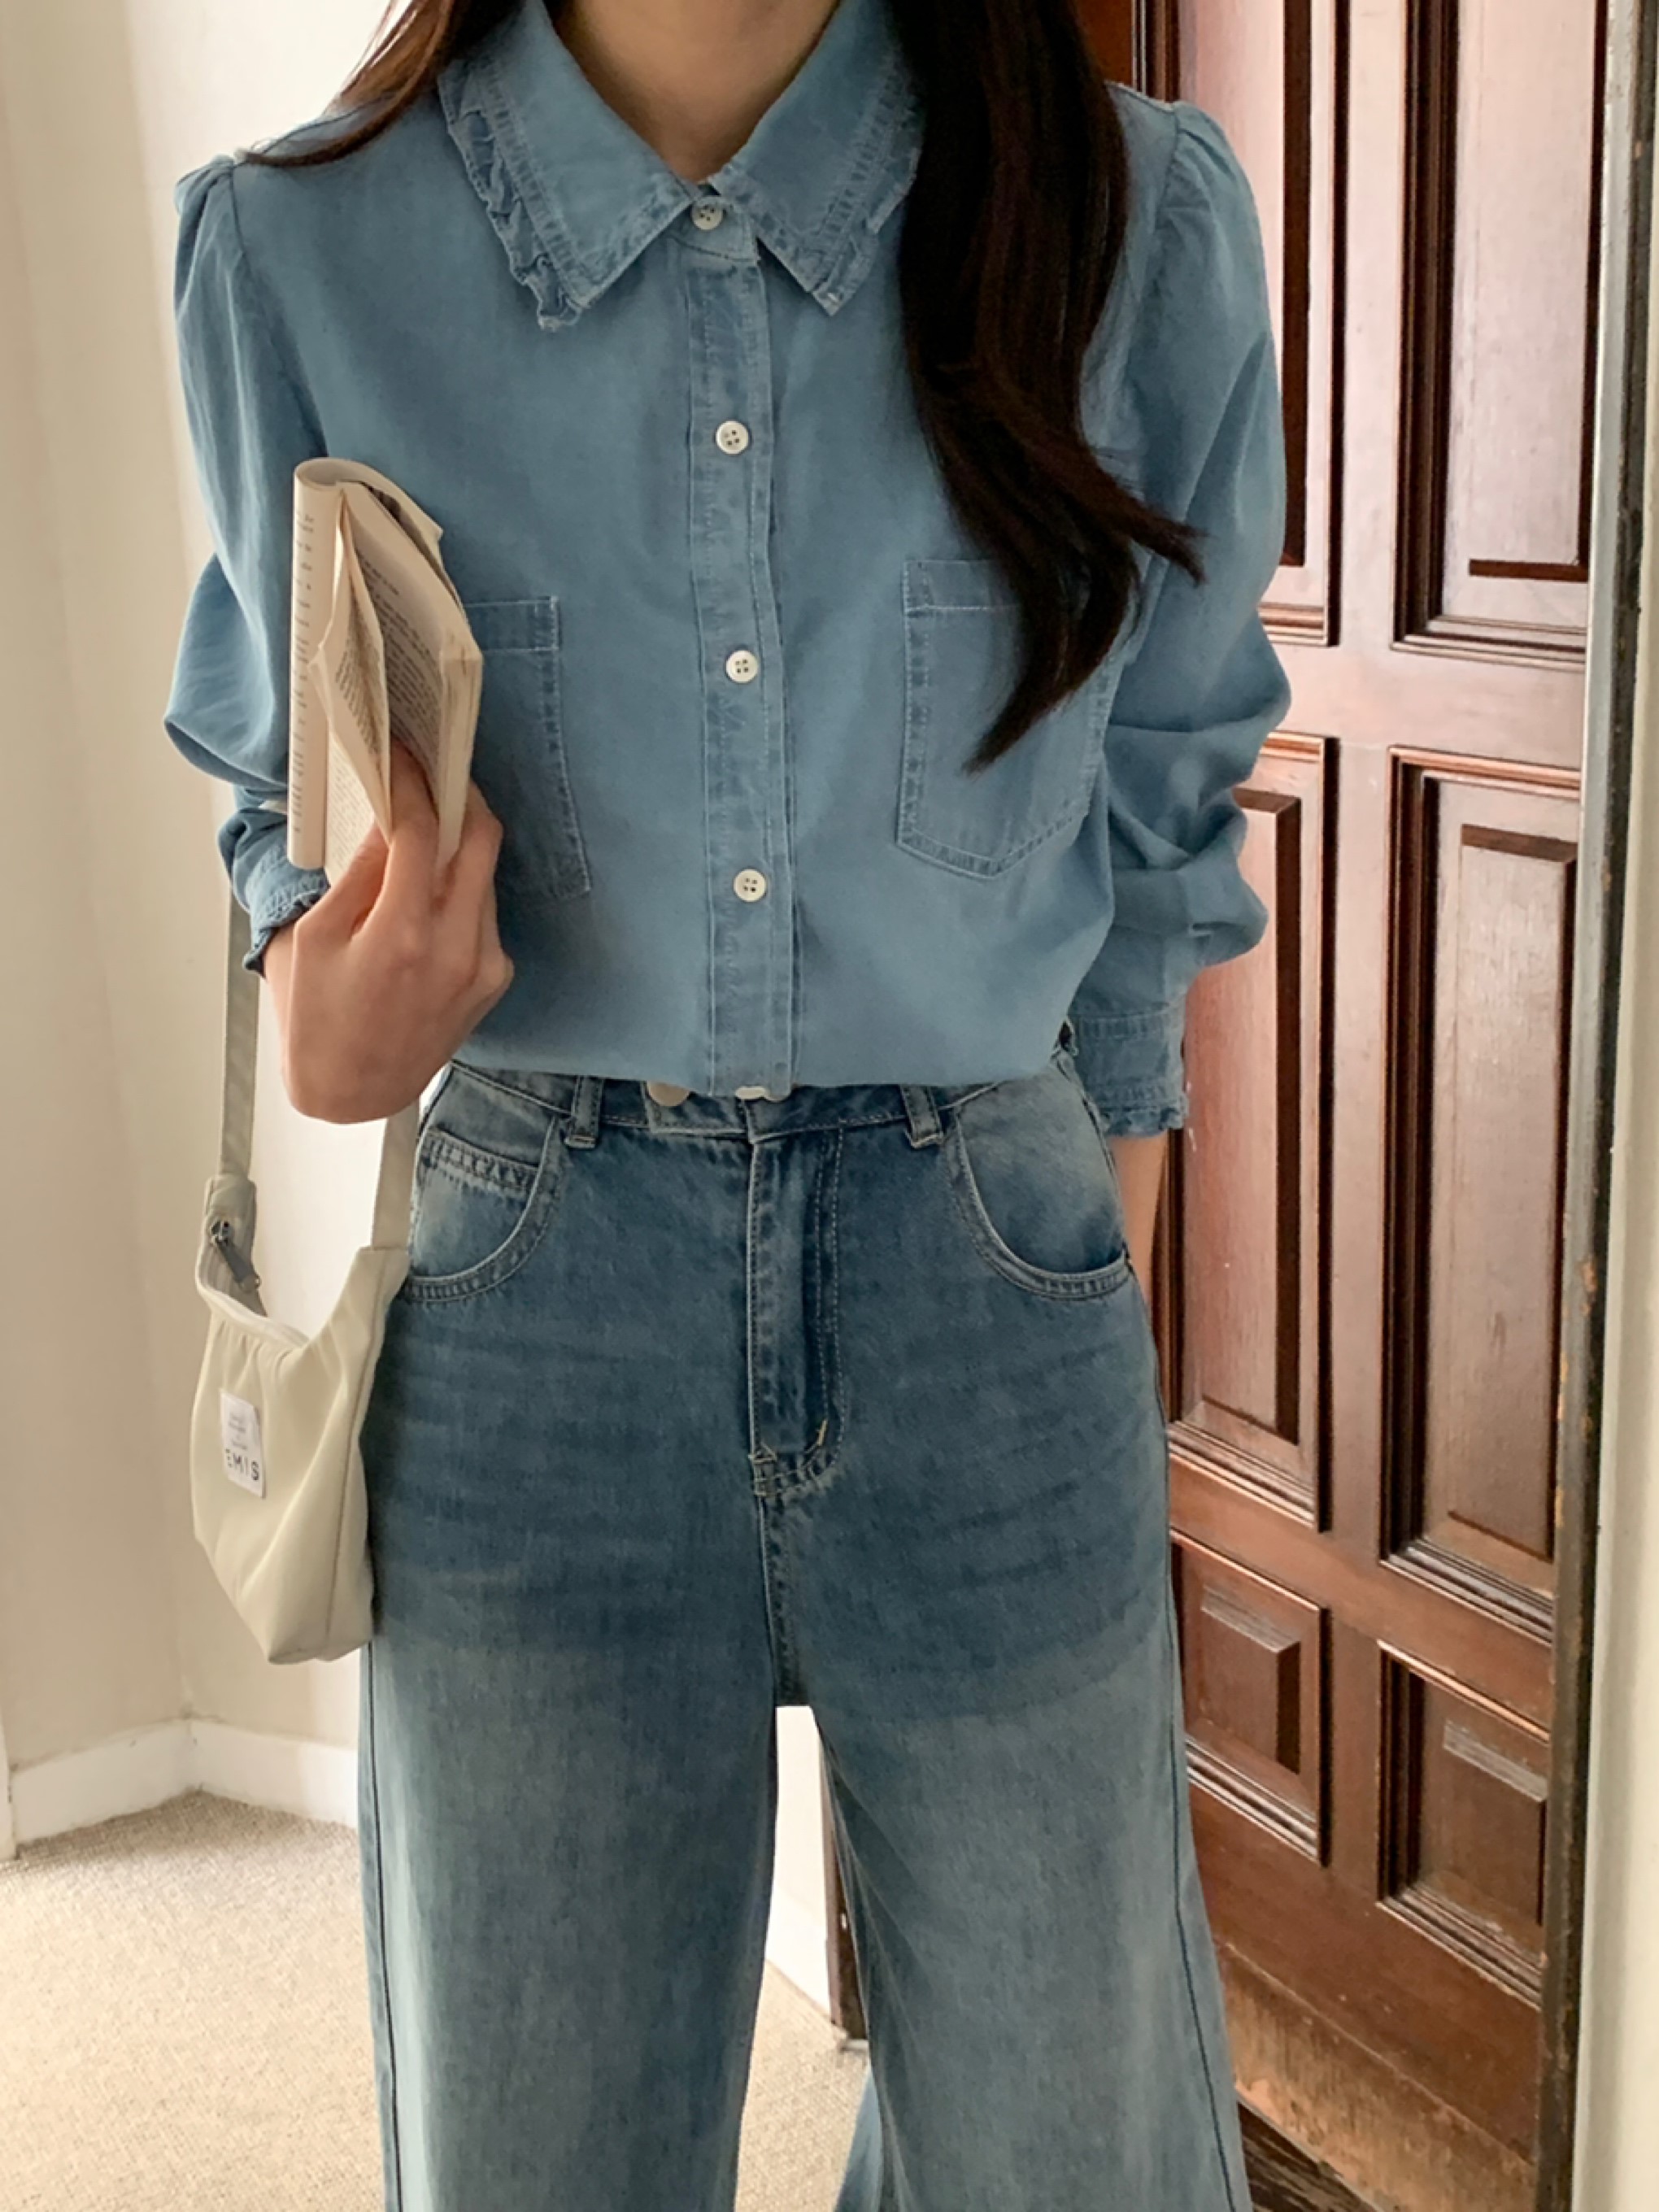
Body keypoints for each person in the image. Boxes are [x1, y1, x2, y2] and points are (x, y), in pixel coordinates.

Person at [162, 1, 1291, 2205]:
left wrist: (1084, 1279)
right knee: (538, 2150)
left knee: (1077, 2149)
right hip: (533, 1299)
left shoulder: (1138, 222)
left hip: (994, 1268)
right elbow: (289, 860)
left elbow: (1162, 828)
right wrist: (342, 1021)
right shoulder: (296, 252)